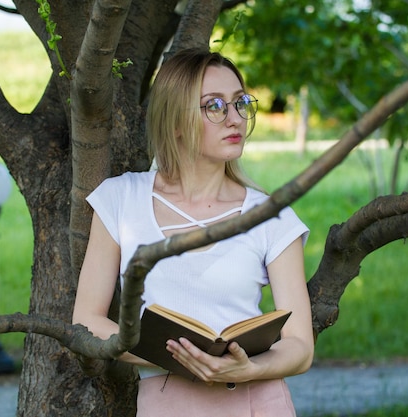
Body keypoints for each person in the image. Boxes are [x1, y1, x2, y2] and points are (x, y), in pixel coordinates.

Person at [73, 48, 314, 417]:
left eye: (239, 103)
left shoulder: (271, 216)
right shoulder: (121, 198)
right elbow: (87, 321)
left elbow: (300, 345)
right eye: (214, 106)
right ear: (176, 122)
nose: (234, 119)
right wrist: (180, 356)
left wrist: (250, 368)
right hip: (166, 401)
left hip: (254, 400)